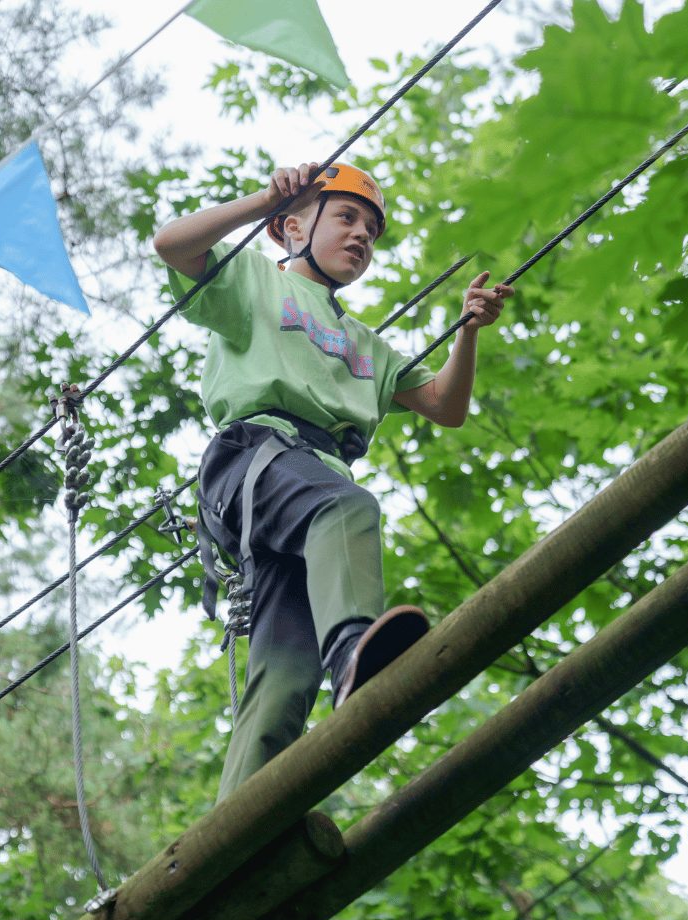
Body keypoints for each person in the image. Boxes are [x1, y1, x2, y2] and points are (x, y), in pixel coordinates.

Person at [154, 162, 511, 800]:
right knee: (347, 509)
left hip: (306, 493)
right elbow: (172, 244)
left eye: (371, 230)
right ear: (292, 228)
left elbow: (445, 406)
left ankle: (237, 827)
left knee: (286, 677)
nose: (361, 236)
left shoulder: (368, 345)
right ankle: (351, 649)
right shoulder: (254, 279)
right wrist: (264, 201)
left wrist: (468, 334)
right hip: (256, 456)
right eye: (346, 217)